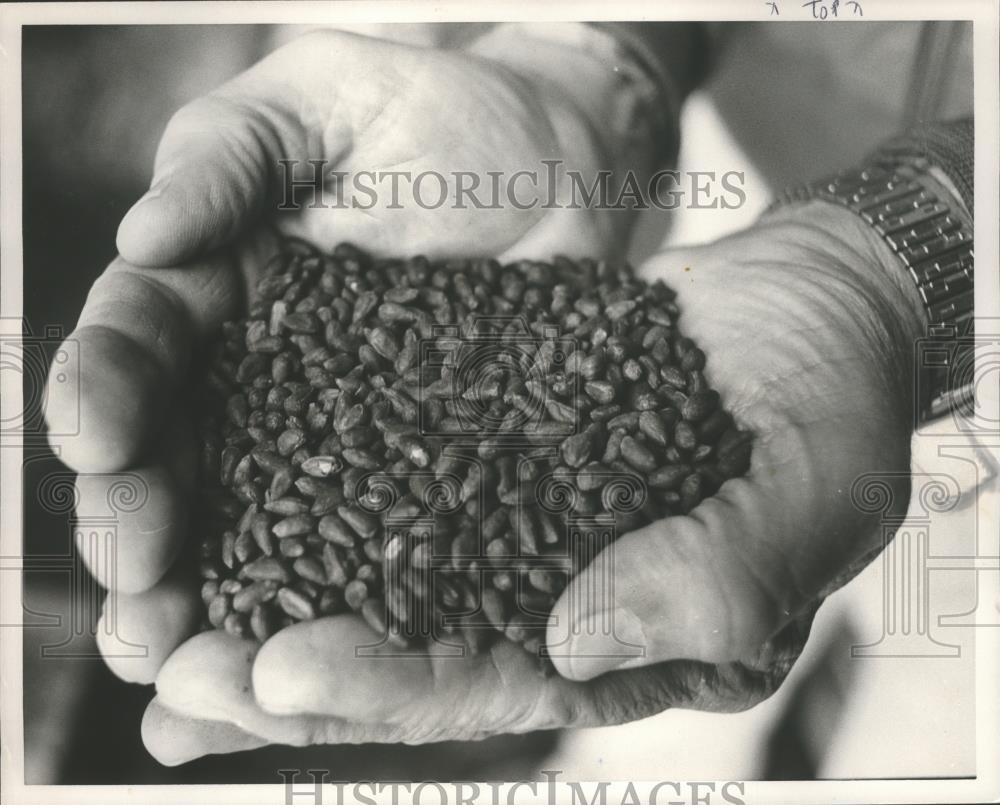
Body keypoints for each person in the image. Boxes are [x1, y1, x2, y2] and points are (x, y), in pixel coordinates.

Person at [43, 22, 974, 765]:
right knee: (674, 628)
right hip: (768, 197)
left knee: (939, 696)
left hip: (888, 306)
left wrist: (910, 263)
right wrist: (592, 58)